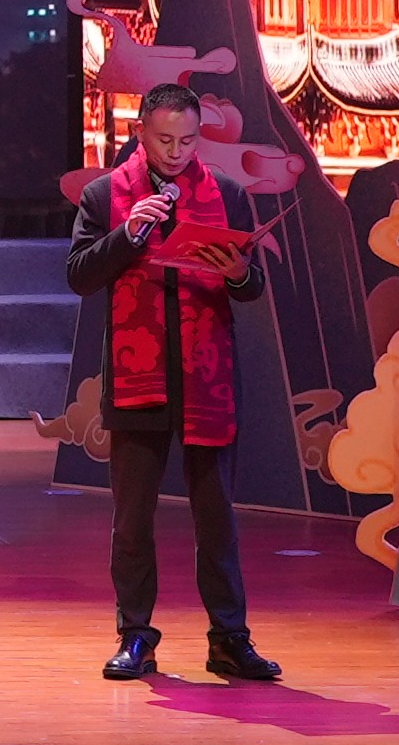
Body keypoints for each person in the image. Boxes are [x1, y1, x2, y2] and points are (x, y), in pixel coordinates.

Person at [70, 81, 281, 683]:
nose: (176, 151)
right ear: (141, 132)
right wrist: (128, 234)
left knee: (217, 518)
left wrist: (238, 272)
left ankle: (229, 638)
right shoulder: (105, 194)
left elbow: (252, 287)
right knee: (133, 519)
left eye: (188, 141)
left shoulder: (227, 194)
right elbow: (80, 276)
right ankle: (136, 635)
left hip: (206, 376)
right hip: (138, 377)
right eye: (164, 139)